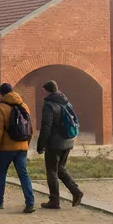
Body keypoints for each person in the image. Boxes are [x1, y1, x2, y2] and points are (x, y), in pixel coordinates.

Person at [0, 82, 35, 213]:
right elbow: (29, 128)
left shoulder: (0, 107)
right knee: (24, 175)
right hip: (22, 147)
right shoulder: (24, 106)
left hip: (6, 148)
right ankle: (30, 202)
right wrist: (26, 144)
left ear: (1, 94)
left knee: (1, 174)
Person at [36, 80, 83, 209]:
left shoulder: (49, 105)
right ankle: (76, 192)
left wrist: (40, 145)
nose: (42, 93)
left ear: (47, 90)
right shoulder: (66, 102)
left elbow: (46, 127)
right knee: (60, 169)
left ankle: (54, 201)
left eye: (43, 91)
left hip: (54, 144)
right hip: (68, 141)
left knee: (52, 171)